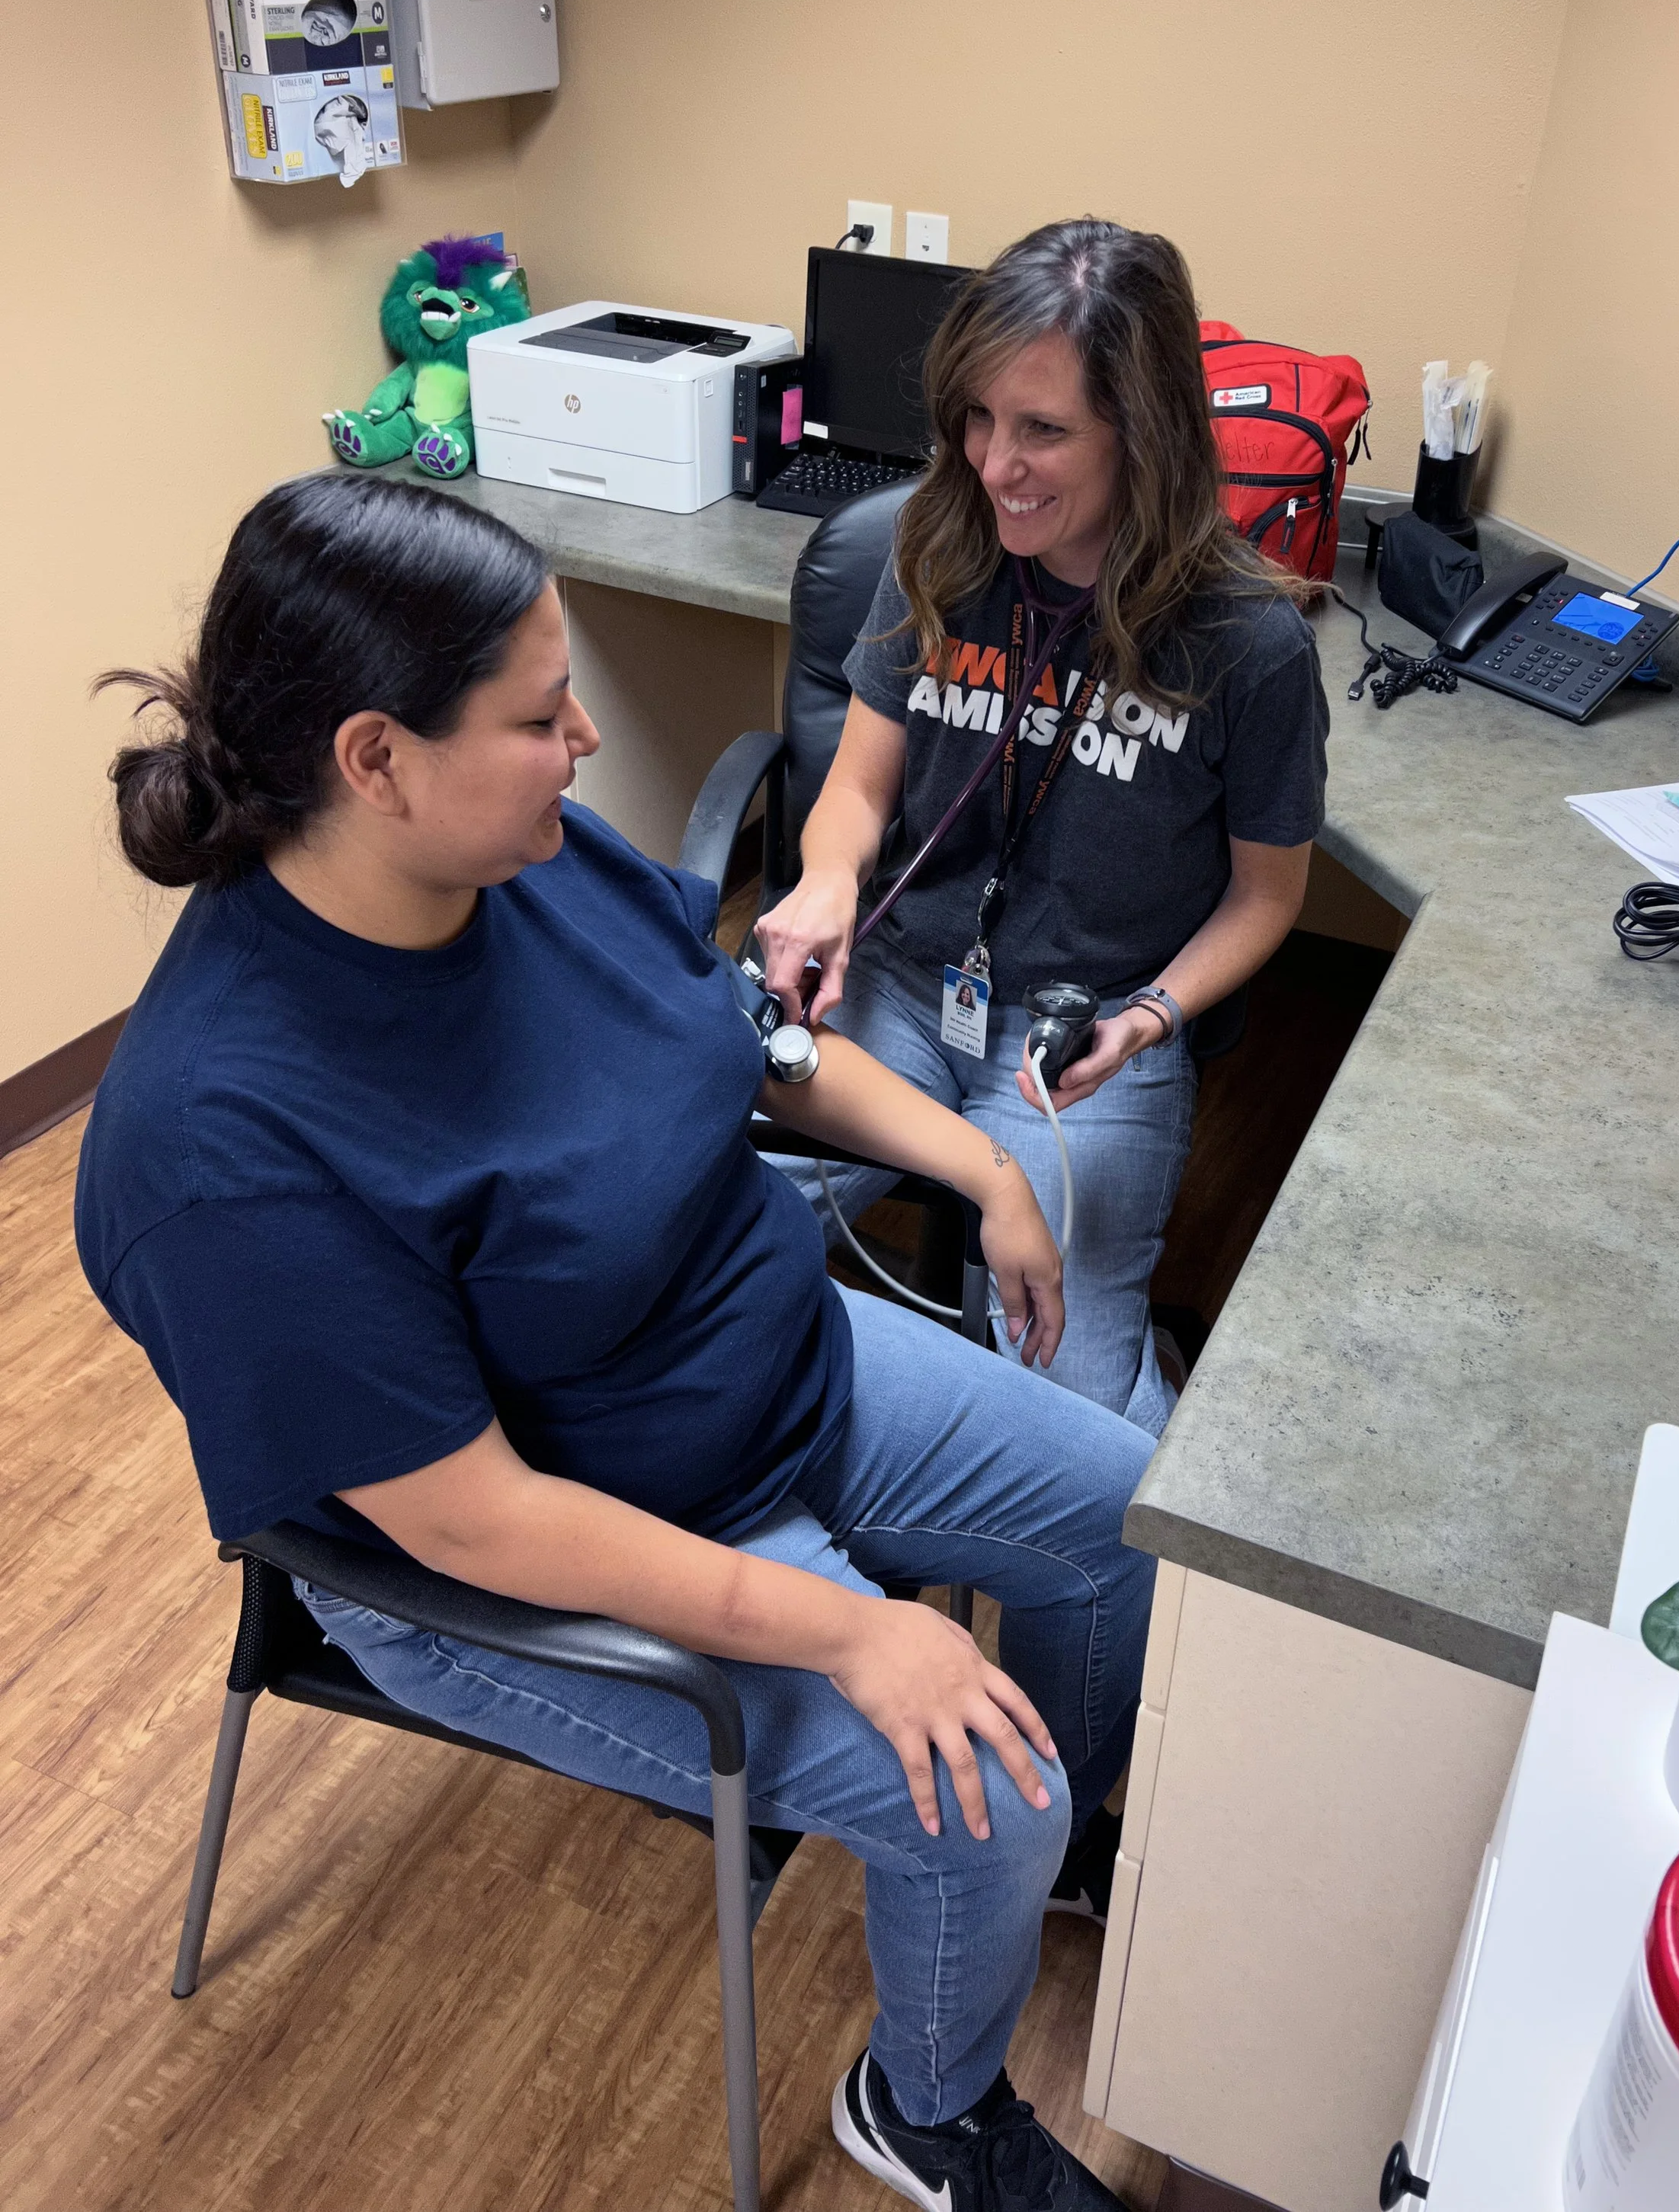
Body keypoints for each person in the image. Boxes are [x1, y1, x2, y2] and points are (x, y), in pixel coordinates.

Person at [74, 472, 1156, 2212]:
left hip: (762, 1358)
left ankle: (1037, 1858)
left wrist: (976, 1162)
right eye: (534, 712)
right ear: (374, 758)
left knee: (1128, 1523)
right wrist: (854, 1635)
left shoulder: (522, 856)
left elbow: (743, 1034)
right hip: (536, 1544)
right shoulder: (227, 1148)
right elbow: (474, 1522)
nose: (584, 739)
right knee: (988, 1790)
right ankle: (927, 2106)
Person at [758, 220, 1328, 1432]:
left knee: (1071, 1417)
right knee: (693, 1219)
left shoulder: (1248, 642)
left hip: (1084, 1040)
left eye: (1043, 431)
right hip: (906, 988)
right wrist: (823, 886)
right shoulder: (939, 546)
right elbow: (857, 790)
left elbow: (1266, 896)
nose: (992, 464)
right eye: (977, 419)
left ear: (1148, 429)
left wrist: (1150, 1018)